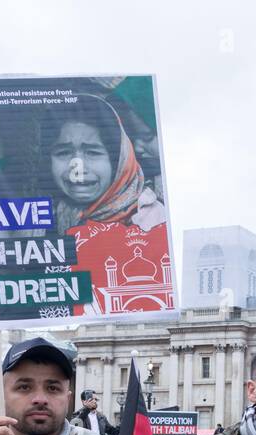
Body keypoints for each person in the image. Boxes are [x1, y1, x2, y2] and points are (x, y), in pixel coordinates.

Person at [40, 97, 170, 317]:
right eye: (63, 153)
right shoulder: (43, 224)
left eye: (92, 152)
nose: (77, 169)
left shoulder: (153, 221)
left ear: (118, 158)